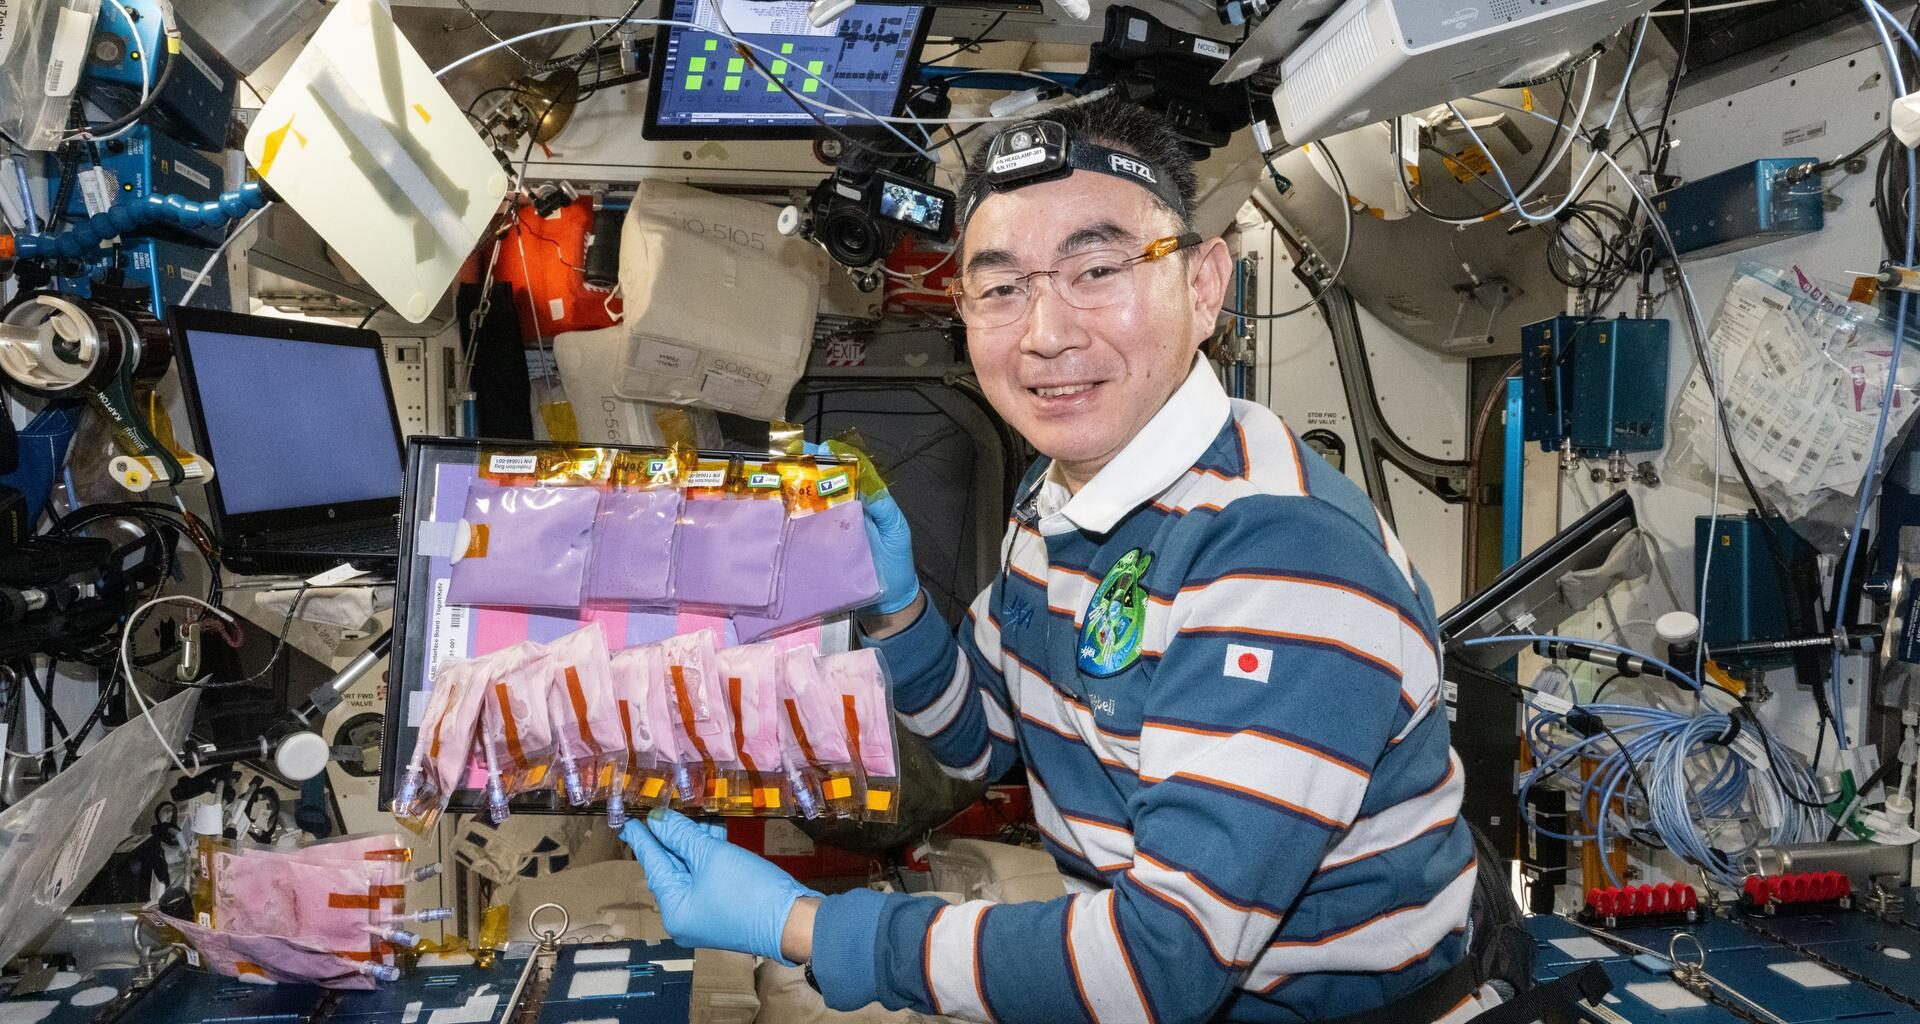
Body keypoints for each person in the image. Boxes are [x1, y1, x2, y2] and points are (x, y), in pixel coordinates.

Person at [622, 98, 1503, 1023]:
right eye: (1001, 288)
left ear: (1205, 286)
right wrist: (896, 610)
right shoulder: (1060, 500)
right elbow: (976, 735)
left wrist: (808, 925)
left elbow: (1161, 965)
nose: (1046, 332)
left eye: (1096, 269)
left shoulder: (1284, 555)